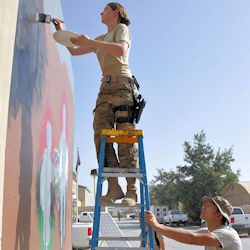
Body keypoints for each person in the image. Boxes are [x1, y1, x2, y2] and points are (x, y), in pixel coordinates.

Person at [52, 2, 139, 206]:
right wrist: (61, 31)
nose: (101, 12)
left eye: (105, 10)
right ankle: (114, 187)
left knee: (125, 137)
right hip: (105, 88)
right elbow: (74, 50)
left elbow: (120, 50)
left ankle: (131, 191)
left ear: (115, 12)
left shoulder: (121, 29)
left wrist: (91, 42)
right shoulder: (100, 39)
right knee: (101, 135)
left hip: (123, 86)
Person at [145, 196, 242, 250]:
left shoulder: (227, 234)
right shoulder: (208, 231)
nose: (203, 207)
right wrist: (156, 226)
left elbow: (191, 239)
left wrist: (157, 226)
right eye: (204, 204)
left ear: (219, 215)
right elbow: (182, 234)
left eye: (208, 206)